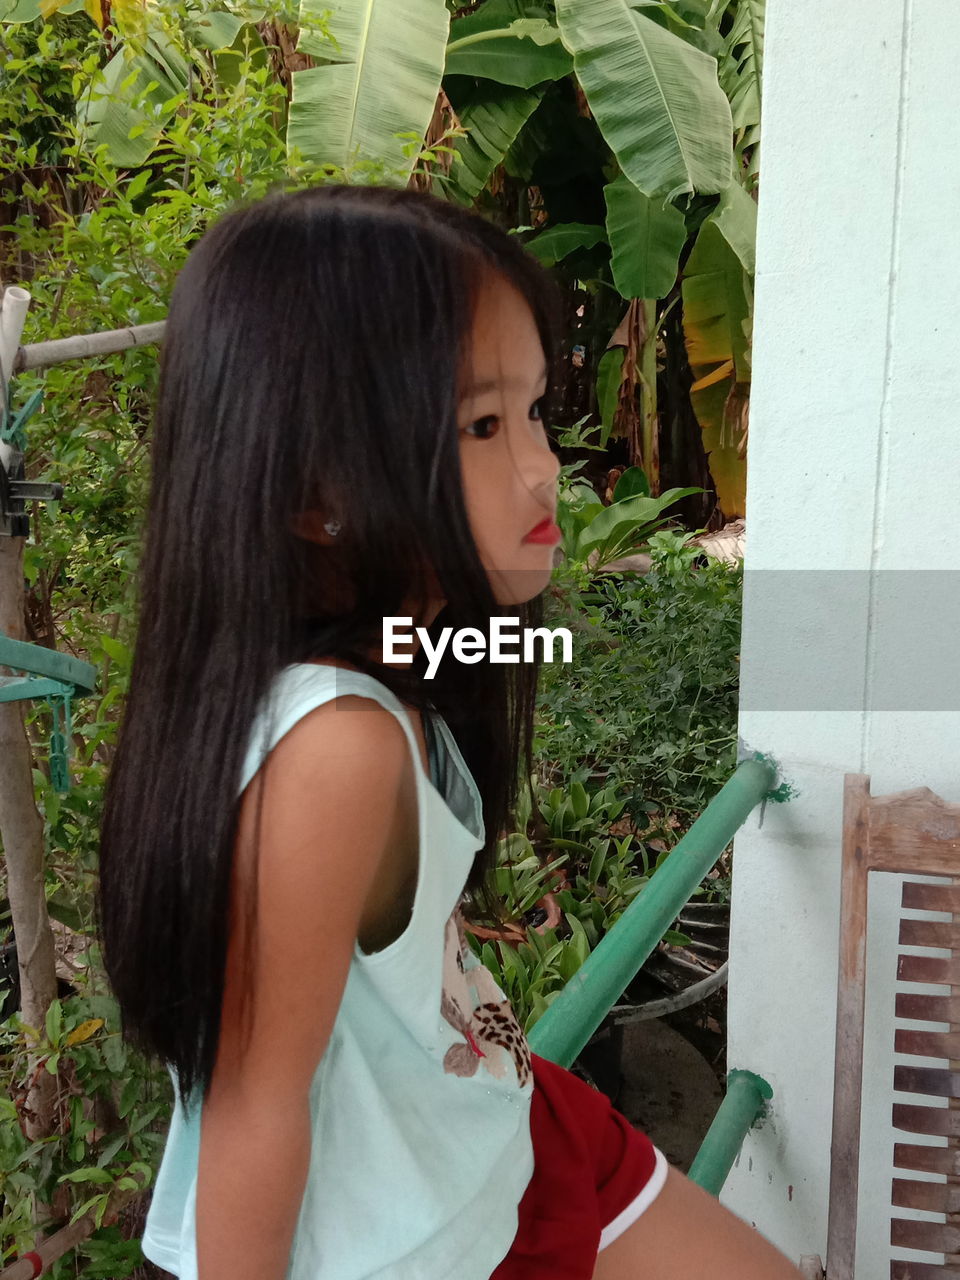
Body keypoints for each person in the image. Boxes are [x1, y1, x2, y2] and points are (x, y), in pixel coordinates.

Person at [95, 185, 803, 1280]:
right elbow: (254, 1107)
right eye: (481, 424)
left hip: (497, 1131)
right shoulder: (333, 748)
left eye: (533, 412)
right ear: (317, 492)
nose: (541, 465)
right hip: (418, 1239)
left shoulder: (396, 653)